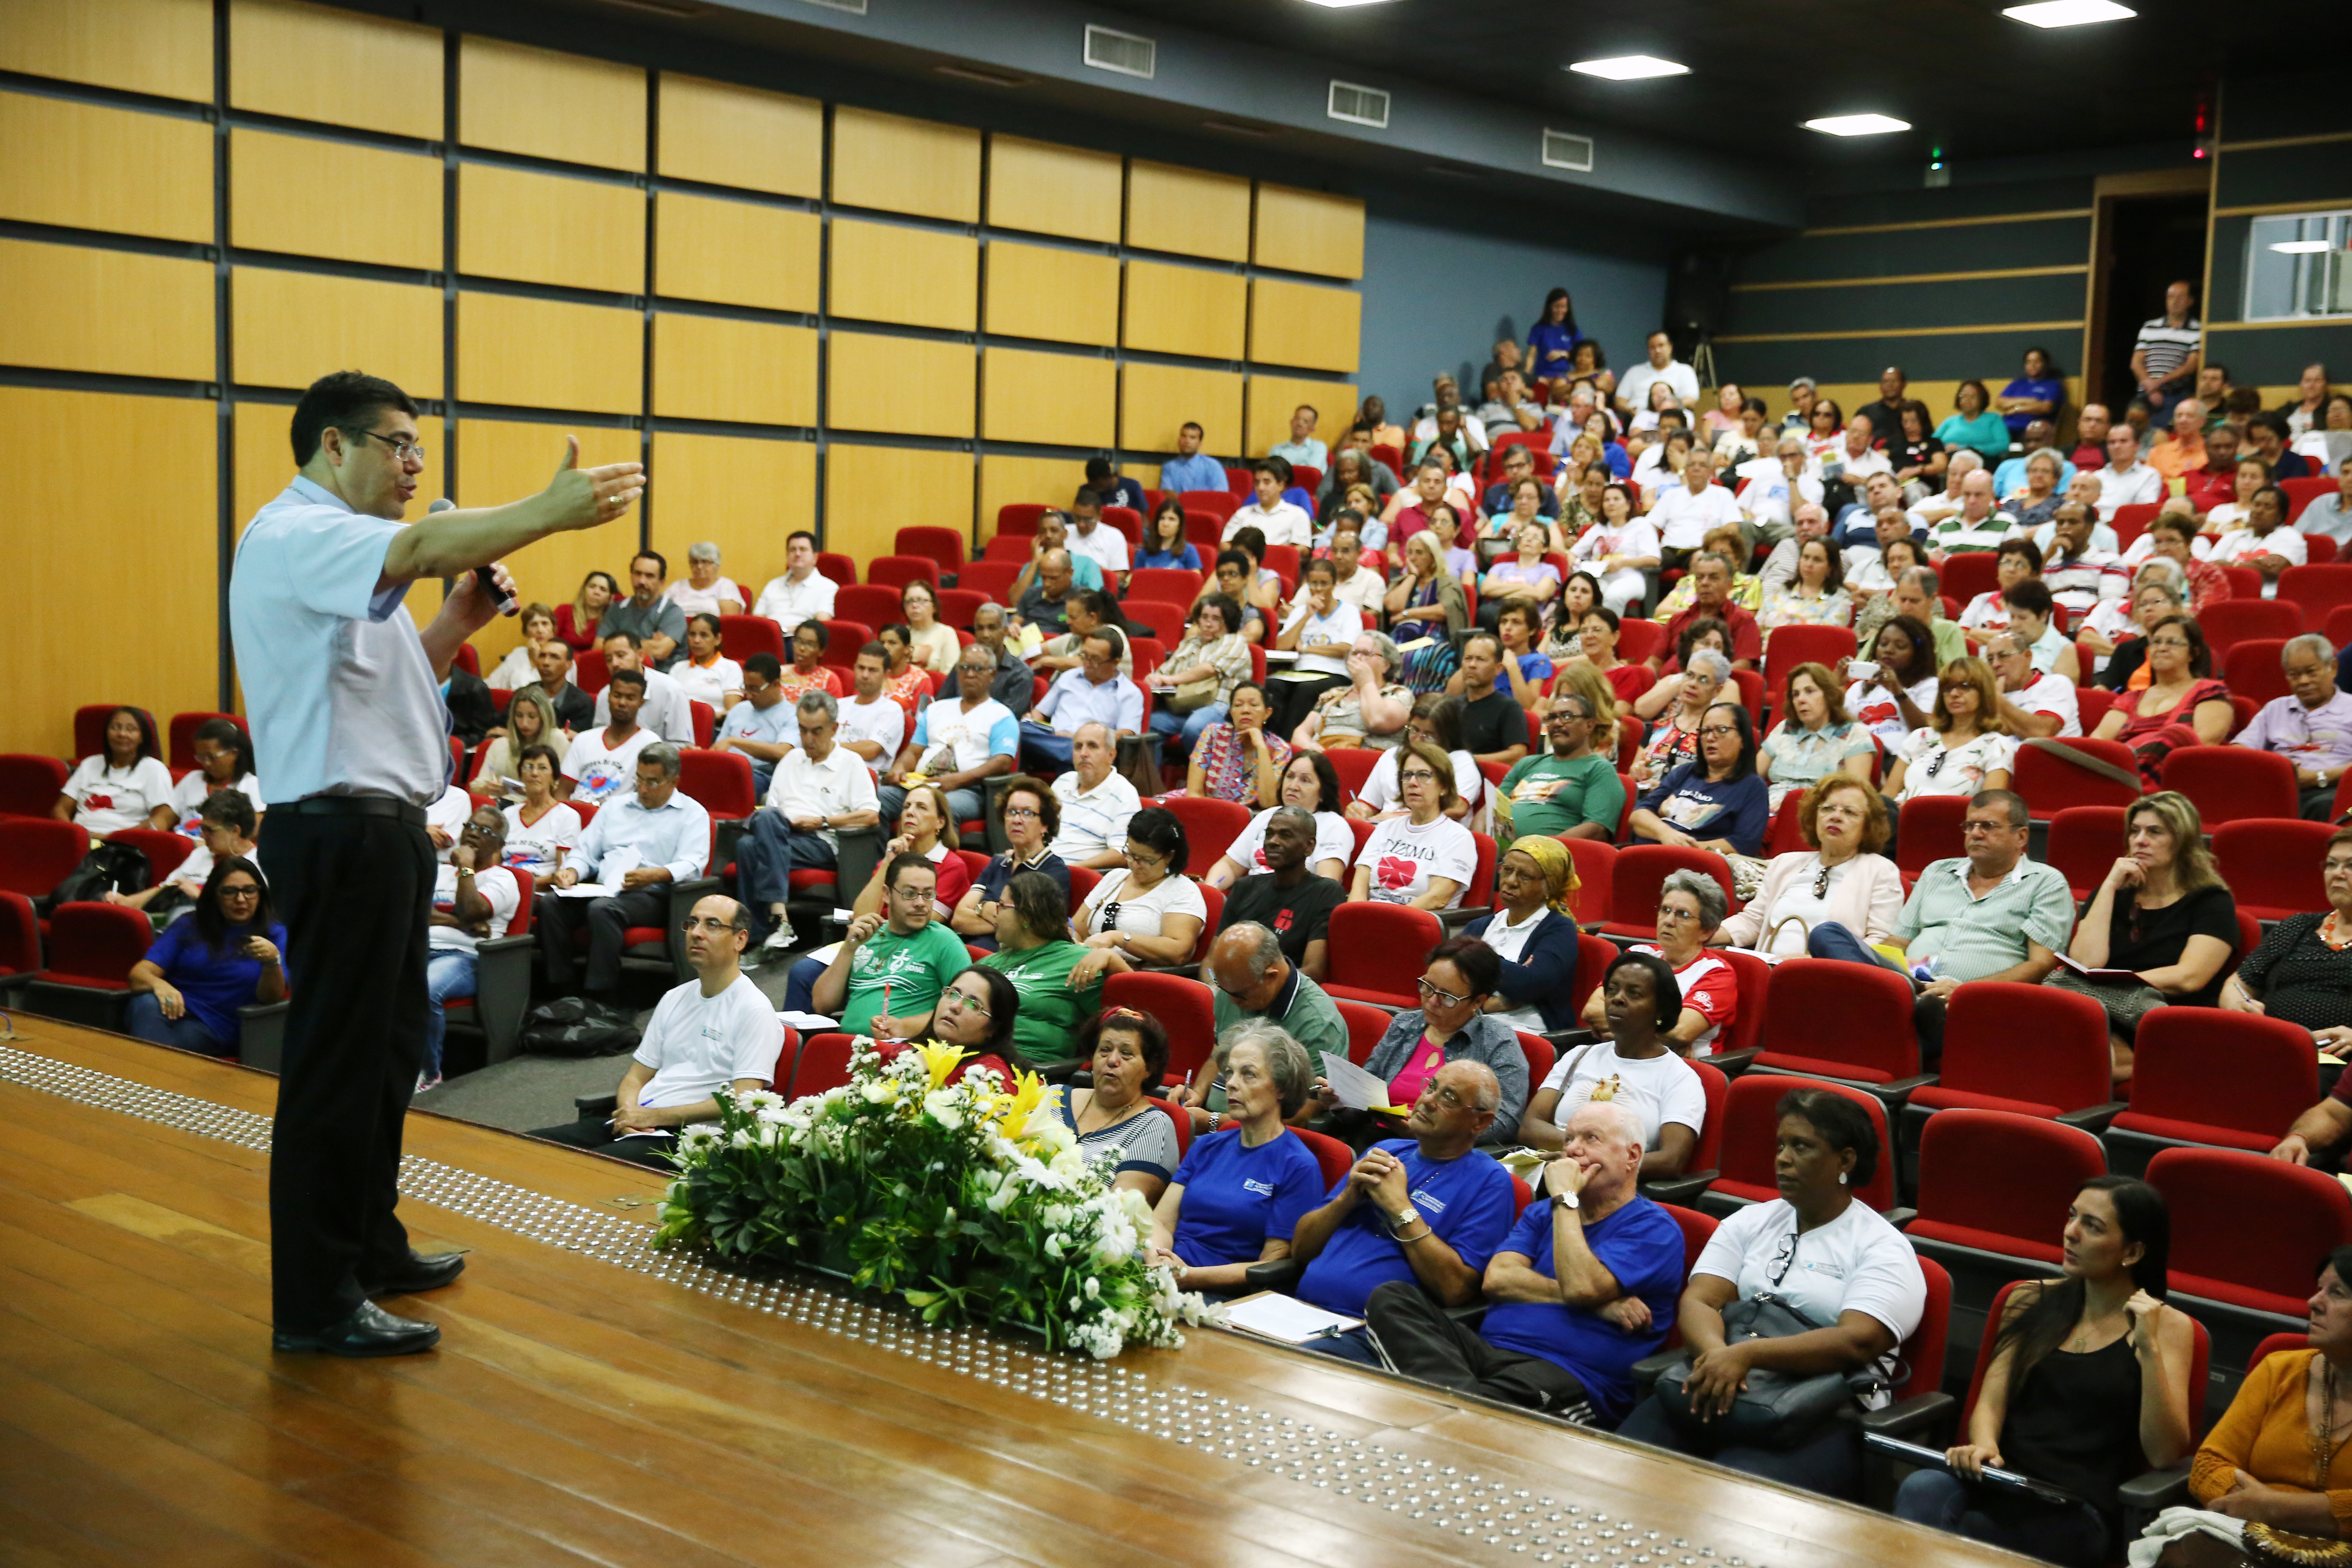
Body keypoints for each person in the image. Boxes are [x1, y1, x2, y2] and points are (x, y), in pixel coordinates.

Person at [232, 369, 642, 1356]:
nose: (415, 466)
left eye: (419, 448)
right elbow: (417, 544)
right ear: (333, 446)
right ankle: (316, 1300)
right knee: (336, 1069)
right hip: (341, 827)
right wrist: (543, 515)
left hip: (380, 828)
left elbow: (379, 680)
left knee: (382, 1056)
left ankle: (368, 1242)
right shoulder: (300, 533)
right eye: (397, 445)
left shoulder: (334, 556)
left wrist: (456, 621)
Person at [1616, 1087, 1927, 1498]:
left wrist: (1744, 1355)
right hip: (1727, 1385)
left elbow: (1858, 1341)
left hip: (1822, 1414)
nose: (1782, 1158)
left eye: (1802, 1147)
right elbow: (1701, 1300)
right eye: (1781, 1145)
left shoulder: (1882, 1248)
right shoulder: (1751, 1221)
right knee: (1621, 1467)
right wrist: (1716, 1356)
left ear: (1845, 1161)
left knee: (1727, 1497)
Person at [1894, 1176, 2194, 1566]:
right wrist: (1985, 1445)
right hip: (2002, 1479)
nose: (2071, 1233)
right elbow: (1991, 1400)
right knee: (1922, 1488)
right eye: (2073, 1217)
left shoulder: (2169, 1328)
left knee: (1966, 1535)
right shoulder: (2029, 1298)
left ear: (2133, 1252)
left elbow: (2165, 1452)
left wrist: (2149, 1349)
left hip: (2074, 1509)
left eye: (2092, 1226)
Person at [1375, 1093, 1684, 1423]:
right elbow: (1498, 1280)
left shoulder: (1654, 1230)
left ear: (1632, 1156)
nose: (1573, 1150)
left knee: (1455, 1405)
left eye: (1590, 1138)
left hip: (1571, 1375)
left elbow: (1582, 1287)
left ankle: (1456, 1413)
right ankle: (1464, 1411)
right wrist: (1600, 1305)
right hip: (1486, 1352)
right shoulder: (1541, 1214)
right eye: (1569, 1139)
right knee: (1392, 1297)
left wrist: (1566, 1199)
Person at [1814, 790, 2071, 1062]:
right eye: (1970, 826)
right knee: (1827, 934)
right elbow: (1897, 943)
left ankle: (1890, 1020)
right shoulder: (1937, 872)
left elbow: (2041, 965)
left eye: (1988, 826)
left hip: (1969, 1001)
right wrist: (1890, 977)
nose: (1976, 833)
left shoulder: (2046, 882)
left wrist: (1964, 991)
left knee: (1927, 1010)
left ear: (2021, 837)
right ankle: (1899, 1007)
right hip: (1910, 983)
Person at [528, 895, 783, 1168]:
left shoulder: (753, 1010)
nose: (697, 933)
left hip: (694, 1136)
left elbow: (744, 1101)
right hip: (643, 1122)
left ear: (740, 940)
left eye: (712, 925)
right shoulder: (675, 997)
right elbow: (636, 1077)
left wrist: (655, 1117)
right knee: (526, 1147)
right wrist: (630, 1114)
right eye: (693, 923)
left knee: (583, 1169)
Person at [1287, 1062, 1517, 1360]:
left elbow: (1456, 1290)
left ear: (1480, 1122)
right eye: (1432, 1087)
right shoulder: (1387, 1151)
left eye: (1449, 1098)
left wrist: (1399, 1207)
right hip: (1300, 1313)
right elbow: (1301, 1250)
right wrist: (1346, 1199)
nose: (1428, 1101)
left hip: (1372, 1334)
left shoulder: (1490, 1182)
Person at [2062, 792, 2237, 1087]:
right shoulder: (2111, 896)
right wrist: (2109, 886)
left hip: (2165, 1017)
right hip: (2103, 1016)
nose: (2140, 840)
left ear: (2182, 841)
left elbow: (2189, 978)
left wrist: (2115, 984)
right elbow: (2086, 962)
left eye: (2155, 832)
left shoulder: (2211, 902)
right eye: (2135, 831)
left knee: (2071, 1055)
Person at [2183, 1247, 2352, 1537]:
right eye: (2319, 1289)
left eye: (2337, 1293)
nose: (2314, 1302)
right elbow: (2207, 1466)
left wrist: (2274, 1507)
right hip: (2250, 1536)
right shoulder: (2278, 1370)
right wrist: (2253, 1505)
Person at [1149, 1021, 1325, 1292]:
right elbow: (1160, 1222)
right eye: (1230, 1073)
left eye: (1248, 1074)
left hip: (1221, 1294)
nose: (1231, 1084)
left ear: (1282, 1088)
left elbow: (1272, 1264)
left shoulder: (1298, 1166)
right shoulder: (1207, 1146)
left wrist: (1189, 1275)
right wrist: (1157, 1258)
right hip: (1165, 1274)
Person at [534, 742, 710, 1002]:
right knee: (551, 904)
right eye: (639, 779)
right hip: (603, 888)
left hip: (654, 895)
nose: (643, 788)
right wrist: (572, 871)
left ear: (674, 781)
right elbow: (586, 851)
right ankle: (563, 992)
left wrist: (658, 874)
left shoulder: (692, 814)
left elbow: (693, 864)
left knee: (603, 910)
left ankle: (600, 999)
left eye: (653, 782)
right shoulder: (615, 808)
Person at [1304, 937, 1529, 1137]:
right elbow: (1365, 1098)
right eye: (1428, 987)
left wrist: (1433, 1130)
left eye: (1447, 997)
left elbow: (1505, 1121)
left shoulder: (1497, 1042)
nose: (1432, 1001)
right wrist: (1342, 1102)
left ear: (1478, 1002)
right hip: (1377, 1136)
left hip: (1444, 1154)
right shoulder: (1405, 1025)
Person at [1521, 951, 1705, 1172]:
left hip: (1619, 1188)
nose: (1617, 998)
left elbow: (1671, 1160)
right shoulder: (1579, 1056)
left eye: (1634, 994)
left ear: (1661, 1010)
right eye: (1612, 990)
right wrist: (1575, 1155)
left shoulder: (1680, 1078)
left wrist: (1590, 1161)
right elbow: (1530, 1127)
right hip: (1553, 1171)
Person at [736, 691, 880, 950]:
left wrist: (823, 822)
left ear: (834, 729)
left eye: (817, 731)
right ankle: (769, 934)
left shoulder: (851, 763)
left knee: (754, 840)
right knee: (750, 842)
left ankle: (776, 922)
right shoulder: (791, 759)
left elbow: (870, 815)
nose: (808, 739)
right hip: (783, 833)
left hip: (822, 841)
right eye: (803, 730)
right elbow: (773, 809)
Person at [1719, 777, 1904, 958]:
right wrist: (1703, 935)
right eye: (1828, 809)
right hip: (1769, 968)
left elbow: (1880, 944)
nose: (1836, 816)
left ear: (1869, 826)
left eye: (1850, 812)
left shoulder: (1881, 871)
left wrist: (1811, 962)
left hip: (1831, 978)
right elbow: (1752, 922)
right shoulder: (1785, 863)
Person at [1185, 924, 1348, 1130]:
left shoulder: (1318, 1023)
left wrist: (1214, 1122)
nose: (1230, 1001)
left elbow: (1301, 1116)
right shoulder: (1234, 988)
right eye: (1224, 988)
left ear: (1271, 976)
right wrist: (1197, 1094)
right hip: (1213, 1126)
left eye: (1239, 995)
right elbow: (1219, 1054)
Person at [123, 856, 286, 1056]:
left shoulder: (275, 934)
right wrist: (159, 984)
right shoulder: (189, 925)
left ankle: (144, 1076)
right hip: (174, 1009)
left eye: (250, 891)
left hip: (220, 1025)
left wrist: (272, 962)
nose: (241, 899)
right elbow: (139, 974)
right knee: (144, 1003)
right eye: (230, 892)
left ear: (260, 894)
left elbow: (272, 998)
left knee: (159, 1044)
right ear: (215, 895)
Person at [809, 851, 969, 1041]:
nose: (921, 903)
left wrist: (904, 1027)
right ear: (887, 894)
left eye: (928, 895)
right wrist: (848, 949)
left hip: (903, 1052)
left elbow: (965, 1010)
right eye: (910, 894)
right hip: (847, 1049)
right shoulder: (868, 935)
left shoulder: (944, 942)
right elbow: (822, 1005)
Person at [1582, 870, 1740, 1056]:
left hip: (1683, 1071)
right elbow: (1592, 1010)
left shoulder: (1716, 973)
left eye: (1683, 915)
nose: (1669, 921)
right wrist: (1657, 1031)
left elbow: (1681, 1032)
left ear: (1706, 931)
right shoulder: (1638, 954)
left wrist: (1620, 1025)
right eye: (1665, 910)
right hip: (1620, 1057)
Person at [418, 808, 521, 1091]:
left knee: (425, 989)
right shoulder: (439, 872)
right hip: (420, 947)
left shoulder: (504, 879)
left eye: (485, 831)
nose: (474, 833)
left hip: (466, 959)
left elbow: (471, 908)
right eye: (471, 826)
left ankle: (430, 1073)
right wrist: (459, 921)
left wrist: (466, 867)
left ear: (500, 845)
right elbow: (415, 911)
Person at [2231, 830, 2352, 1060]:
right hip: (2270, 1047)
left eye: (2351, 866)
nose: (2337, 874)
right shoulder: (2297, 926)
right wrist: (2239, 1007)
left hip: (2339, 1061)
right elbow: (2238, 984)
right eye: (2331, 864)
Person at [878, 644, 1017, 829]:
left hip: (967, 790)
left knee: (937, 807)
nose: (970, 674)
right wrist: (900, 768)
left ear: (992, 675)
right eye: (964, 668)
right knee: (876, 799)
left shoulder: (1001, 716)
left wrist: (956, 780)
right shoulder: (936, 709)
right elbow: (914, 752)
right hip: (921, 784)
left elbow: (1002, 763)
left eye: (978, 669)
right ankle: (881, 857)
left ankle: (931, 858)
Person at [976, 870, 1100, 1068]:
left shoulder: (1078, 961)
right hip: (974, 1056)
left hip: (1030, 1069)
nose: (995, 912)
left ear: (1026, 916)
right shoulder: (989, 964)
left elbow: (1126, 1019)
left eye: (1001, 906)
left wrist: (1112, 959)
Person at [2089, 615, 2232, 786]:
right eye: (2156, 642)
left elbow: (2202, 748)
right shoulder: (2130, 698)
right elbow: (2097, 744)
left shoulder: (2209, 691)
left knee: (2177, 735)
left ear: (2193, 653)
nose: (2162, 648)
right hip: (2122, 776)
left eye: (2172, 642)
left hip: (2177, 783)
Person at [1056, 1009, 1182, 1202]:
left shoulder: (1153, 1126)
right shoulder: (1054, 1095)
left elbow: (1120, 1211)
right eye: (1105, 1050)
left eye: (1126, 1054)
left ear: (1150, 1067)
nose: (1112, 1061)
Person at [1067, 804, 1205, 980]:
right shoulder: (1115, 878)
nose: (1134, 865)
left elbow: (1179, 952)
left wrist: (1119, 938)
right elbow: (1077, 928)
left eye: (1146, 860)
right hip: (1087, 968)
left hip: (1131, 976)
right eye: (1131, 854)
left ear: (1170, 856)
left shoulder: (1183, 891)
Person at [1465, 837, 1583, 1031]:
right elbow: (1450, 978)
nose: (1510, 882)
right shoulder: (1480, 926)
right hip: (1475, 1022)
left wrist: (1475, 959)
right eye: (1507, 870)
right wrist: (1498, 998)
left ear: (1550, 885)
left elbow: (1530, 985)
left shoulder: (1559, 929)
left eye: (1525, 876)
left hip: (1528, 1030)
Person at [1213, 805, 1343, 980]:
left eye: (1285, 835)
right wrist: (1214, 989)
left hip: (1285, 996)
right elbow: (1212, 961)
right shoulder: (1244, 887)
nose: (1272, 842)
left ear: (1309, 847)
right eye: (1269, 834)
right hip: (1232, 993)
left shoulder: (1326, 893)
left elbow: (1313, 971)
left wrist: (1251, 989)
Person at [2232, 635, 2352, 818]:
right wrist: (2276, 769)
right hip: (2279, 788)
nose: (2303, 681)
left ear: (2333, 668)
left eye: (2312, 672)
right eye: (2295, 675)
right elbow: (2239, 751)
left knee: (2325, 806)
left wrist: (2320, 776)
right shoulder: (2275, 709)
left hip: (2337, 790)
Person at [1349, 739, 1477, 910]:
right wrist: (1355, 918)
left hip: (1415, 924)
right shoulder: (1386, 828)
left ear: (1444, 787)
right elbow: (1359, 888)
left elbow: (1438, 899)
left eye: (1424, 775)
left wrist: (1390, 921)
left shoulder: (1458, 838)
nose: (1413, 782)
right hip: (1369, 917)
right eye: (1407, 775)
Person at [1630, 702, 1768, 859]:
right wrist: (1666, 834)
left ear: (1743, 739)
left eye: (1721, 730)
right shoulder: (1685, 772)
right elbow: (1639, 815)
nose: (1710, 738)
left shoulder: (1753, 787)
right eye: (1705, 731)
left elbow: (1744, 845)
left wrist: (1686, 848)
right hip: (1646, 856)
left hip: (1697, 866)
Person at [948, 775, 1067, 952]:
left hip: (1008, 958)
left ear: (1045, 825)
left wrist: (984, 910)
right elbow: (959, 918)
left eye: (1027, 813)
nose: (1017, 820)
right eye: (1011, 811)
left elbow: (1031, 931)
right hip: (967, 948)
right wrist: (988, 910)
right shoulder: (998, 863)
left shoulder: (1053, 870)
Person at [109, 788, 260, 924]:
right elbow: (165, 889)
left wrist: (200, 897)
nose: (202, 834)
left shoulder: (258, 864)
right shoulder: (202, 854)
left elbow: (251, 913)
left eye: (210, 830)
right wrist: (126, 902)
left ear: (235, 831)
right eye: (202, 828)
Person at [1208, 751, 1353, 889]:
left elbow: (1326, 883)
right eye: (1290, 777)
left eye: (1305, 780)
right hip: (1252, 898)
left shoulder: (1334, 825)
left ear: (1323, 792)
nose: (1293, 786)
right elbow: (1230, 866)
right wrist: (1212, 889)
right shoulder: (1267, 816)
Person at [1497, 689, 1625, 842]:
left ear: (1589, 726)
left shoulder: (1599, 769)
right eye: (1552, 717)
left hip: (1551, 858)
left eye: (1567, 717)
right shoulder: (1528, 763)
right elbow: (1492, 809)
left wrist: (1536, 850)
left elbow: (1597, 829)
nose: (1557, 723)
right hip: (1504, 853)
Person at [1885, 657, 2016, 804]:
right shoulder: (1920, 737)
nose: (1954, 693)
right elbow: (1888, 795)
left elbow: (1989, 809)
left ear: (1984, 692)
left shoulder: (1996, 745)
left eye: (1965, 686)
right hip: (1901, 820)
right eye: (1948, 688)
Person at [1758, 664, 1876, 812]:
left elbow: (1855, 792)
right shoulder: (1786, 728)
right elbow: (1753, 776)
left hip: (1821, 811)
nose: (1801, 700)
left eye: (1810, 692)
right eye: (1796, 694)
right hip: (1769, 808)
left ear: (1829, 695)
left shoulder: (1854, 733)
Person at [1149, 593, 1254, 757]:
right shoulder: (1190, 644)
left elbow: (1209, 669)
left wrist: (1172, 680)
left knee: (1195, 727)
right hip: (1185, 704)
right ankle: (1153, 781)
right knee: (1150, 725)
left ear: (1229, 622)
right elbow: (1164, 672)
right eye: (1204, 617)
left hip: (1220, 705)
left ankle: (1206, 777)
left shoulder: (1234, 642)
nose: (1208, 624)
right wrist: (1155, 678)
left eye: (1216, 619)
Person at [1021, 628, 1141, 773]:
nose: (1087, 664)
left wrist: (1078, 739)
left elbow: (1125, 734)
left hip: (1089, 749)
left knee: (1081, 753)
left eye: (1095, 659)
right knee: (1016, 728)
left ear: (1116, 662)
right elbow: (1041, 712)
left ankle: (1072, 753)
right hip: (1051, 738)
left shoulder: (1130, 693)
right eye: (1084, 656)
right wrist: (1032, 719)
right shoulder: (1069, 677)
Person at [56, 706, 176, 835]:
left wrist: (114, 839)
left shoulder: (154, 769)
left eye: (131, 729)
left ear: (142, 737)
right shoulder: (90, 764)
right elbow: (61, 809)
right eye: (116, 728)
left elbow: (164, 818)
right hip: (82, 839)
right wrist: (74, 835)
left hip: (124, 843)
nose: (122, 734)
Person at [1291, 631, 1411, 755]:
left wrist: (1366, 683)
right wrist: (1308, 746)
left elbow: (1377, 721)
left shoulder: (1398, 694)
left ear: (1386, 665)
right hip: (1324, 760)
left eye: (1366, 654)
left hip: (1363, 762)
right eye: (1354, 653)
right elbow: (1301, 732)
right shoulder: (1334, 695)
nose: (1358, 658)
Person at [1044, 722, 1139, 871]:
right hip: (1042, 867)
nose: (1084, 754)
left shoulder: (1124, 794)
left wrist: (1072, 869)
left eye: (1093, 746)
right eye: (1078, 747)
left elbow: (1122, 853)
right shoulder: (1063, 782)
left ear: (1111, 755)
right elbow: (1040, 831)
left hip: (1081, 877)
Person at [1187, 680, 1288, 806]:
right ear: (1231, 712)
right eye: (1238, 705)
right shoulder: (1213, 734)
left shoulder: (1280, 749)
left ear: (1267, 713)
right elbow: (1193, 793)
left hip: (1252, 820)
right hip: (1207, 811)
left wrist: (1261, 747)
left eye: (1254, 705)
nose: (1245, 710)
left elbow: (1268, 803)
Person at [709, 654, 794, 798]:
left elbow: (783, 752)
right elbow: (718, 749)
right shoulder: (739, 710)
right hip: (727, 769)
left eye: (755, 689)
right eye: (746, 688)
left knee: (737, 783)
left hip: (762, 775)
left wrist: (735, 742)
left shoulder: (791, 715)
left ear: (775, 684)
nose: (749, 696)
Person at [1848, 614, 1940, 745]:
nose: (1889, 650)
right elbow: (1840, 726)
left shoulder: (1929, 685)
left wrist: (1899, 693)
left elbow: (1926, 730)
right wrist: (1836, 684)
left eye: (1901, 646)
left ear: (1918, 654)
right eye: (1883, 644)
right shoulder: (1860, 687)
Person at [497, 743, 580, 880]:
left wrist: (526, 884)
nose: (534, 773)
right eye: (529, 767)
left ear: (554, 777)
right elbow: (494, 862)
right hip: (502, 884)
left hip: (539, 888)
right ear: (521, 775)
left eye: (542, 768)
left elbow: (562, 873)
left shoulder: (568, 816)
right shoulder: (508, 814)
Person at [592, 630, 693, 743]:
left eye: (621, 656)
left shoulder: (671, 691)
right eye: (609, 659)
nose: (615, 663)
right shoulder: (605, 695)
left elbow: (682, 745)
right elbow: (599, 741)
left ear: (640, 656)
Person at [1986, 628, 2084, 741]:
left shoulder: (2056, 684)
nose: (1995, 664)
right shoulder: (1988, 694)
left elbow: (2041, 733)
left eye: (2004, 656)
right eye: (1990, 659)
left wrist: (1998, 700)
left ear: (2027, 656)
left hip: (2049, 757)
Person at [167, 716, 264, 829]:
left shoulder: (252, 785)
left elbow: (255, 830)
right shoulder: (192, 779)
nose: (206, 763)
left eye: (212, 757)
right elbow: (165, 817)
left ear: (234, 753)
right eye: (201, 757)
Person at [2210, 482, 2307, 594]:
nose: (2259, 511)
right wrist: (2256, 565)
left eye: (2268, 507)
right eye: (2256, 505)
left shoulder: (2290, 536)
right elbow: (2209, 566)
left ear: (2281, 515)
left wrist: (2228, 564)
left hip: (2268, 598)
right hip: (2226, 594)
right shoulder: (2234, 536)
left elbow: (2273, 570)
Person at [470, 685, 568, 792]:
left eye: (532, 717)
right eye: (519, 716)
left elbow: (563, 789)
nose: (524, 724)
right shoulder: (499, 745)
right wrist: (488, 789)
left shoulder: (557, 739)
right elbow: (476, 787)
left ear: (544, 717)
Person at [601, 551, 686, 669]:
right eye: (638, 574)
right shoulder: (617, 609)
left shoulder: (672, 612)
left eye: (650, 576)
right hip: (622, 676)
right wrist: (649, 643)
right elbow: (599, 647)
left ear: (662, 581)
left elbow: (660, 650)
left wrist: (616, 647)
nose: (642, 582)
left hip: (662, 677)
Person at [2129, 280, 2201, 418]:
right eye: (2171, 297)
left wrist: (2159, 383)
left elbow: (2191, 365)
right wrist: (2151, 388)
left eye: (2180, 297)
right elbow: (2136, 362)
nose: (2175, 302)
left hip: (2176, 394)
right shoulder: (2150, 327)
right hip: (2146, 393)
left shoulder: (2198, 329)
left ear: (2190, 301)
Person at [1760, 534, 1853, 636]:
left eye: (1817, 560)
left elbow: (1825, 639)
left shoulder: (1840, 601)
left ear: (1831, 567)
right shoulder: (1780, 590)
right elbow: (1756, 627)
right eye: (1806, 557)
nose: (1809, 564)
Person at [836, 642, 908, 773]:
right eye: (861, 668)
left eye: (873, 670)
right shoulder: (838, 705)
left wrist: (829, 748)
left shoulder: (892, 710)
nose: (865, 675)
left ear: (886, 675)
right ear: (854, 669)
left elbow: (872, 749)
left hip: (864, 777)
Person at [752, 530, 837, 633]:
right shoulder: (773, 585)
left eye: (803, 550)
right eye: (793, 550)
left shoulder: (828, 587)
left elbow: (821, 625)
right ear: (787, 556)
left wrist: (784, 631)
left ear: (815, 557)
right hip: (769, 639)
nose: (797, 554)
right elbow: (757, 620)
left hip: (802, 642)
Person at [967, 602, 1037, 715]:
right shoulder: (964, 666)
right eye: (980, 629)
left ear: (1005, 631)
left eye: (992, 628)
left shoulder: (1021, 674)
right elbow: (942, 704)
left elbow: (1005, 720)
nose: (985, 635)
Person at [1615, 330, 1699, 421]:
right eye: (1653, 347)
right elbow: (1620, 400)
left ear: (1670, 347)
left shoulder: (1685, 371)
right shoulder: (1634, 372)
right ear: (1648, 351)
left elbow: (1691, 400)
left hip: (1672, 419)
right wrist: (1630, 410)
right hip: (1639, 418)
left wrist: (1668, 407)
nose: (1657, 351)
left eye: (1661, 346)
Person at [668, 612, 743, 713]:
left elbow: (732, 711)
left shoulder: (731, 668)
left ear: (718, 639)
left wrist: (704, 718)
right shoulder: (678, 668)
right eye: (692, 635)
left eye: (704, 635)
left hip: (715, 725)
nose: (697, 640)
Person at [1936, 379, 2011, 467]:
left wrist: (1964, 448)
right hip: (1950, 464)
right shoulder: (1950, 421)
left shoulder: (1993, 419)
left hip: (1984, 464)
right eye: (1963, 396)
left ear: (1982, 399)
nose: (1967, 400)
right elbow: (1933, 443)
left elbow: (2003, 446)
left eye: (1973, 397)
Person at [661, 540, 743, 618]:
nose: (699, 567)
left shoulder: (726, 586)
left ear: (717, 564)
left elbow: (728, 623)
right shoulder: (678, 586)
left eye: (705, 562)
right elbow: (660, 611)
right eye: (695, 562)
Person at [898, 580, 960, 675]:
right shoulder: (900, 634)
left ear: (934, 606)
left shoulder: (946, 634)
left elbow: (950, 676)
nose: (915, 605)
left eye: (921, 600)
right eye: (909, 601)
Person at [775, 620, 844, 705]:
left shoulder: (829, 680)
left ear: (821, 651)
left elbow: (833, 714)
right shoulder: (779, 673)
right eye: (799, 641)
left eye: (810, 645)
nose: (802, 648)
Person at [1157, 420, 1227, 495]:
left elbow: (1221, 495)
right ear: (1179, 440)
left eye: (1193, 438)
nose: (1187, 441)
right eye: (1184, 436)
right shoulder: (1169, 467)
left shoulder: (1212, 466)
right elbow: (1166, 493)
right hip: (1178, 506)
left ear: (1200, 444)